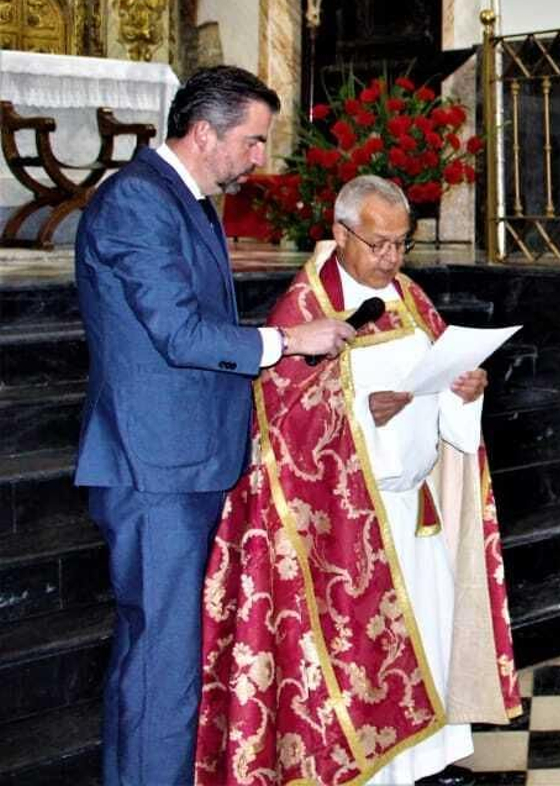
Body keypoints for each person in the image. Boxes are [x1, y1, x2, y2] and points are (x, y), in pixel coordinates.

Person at [74, 65, 354, 785]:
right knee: (163, 666)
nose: (261, 157)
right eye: (254, 141)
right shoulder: (139, 200)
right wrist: (288, 340)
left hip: (182, 458)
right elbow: (179, 333)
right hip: (154, 467)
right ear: (205, 132)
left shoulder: (184, 199)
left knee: (156, 658)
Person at [195, 175, 520, 786]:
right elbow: (282, 422)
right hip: (345, 527)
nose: (391, 258)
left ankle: (432, 761)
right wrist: (365, 416)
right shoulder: (304, 311)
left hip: (414, 509)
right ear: (341, 233)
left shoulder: (409, 297)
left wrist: (464, 393)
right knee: (364, 658)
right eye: (378, 244)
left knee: (428, 631)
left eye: (402, 244)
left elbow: (445, 388)